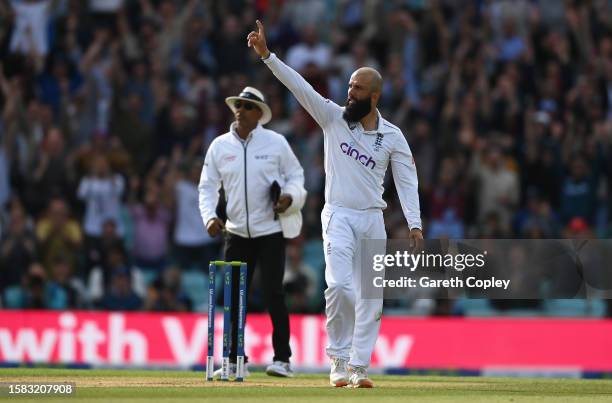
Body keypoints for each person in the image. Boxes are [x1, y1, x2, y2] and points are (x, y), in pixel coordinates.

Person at [247, 20, 423, 388]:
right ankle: (338, 361)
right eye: (348, 86)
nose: (349, 93)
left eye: (357, 89)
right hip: (339, 215)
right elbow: (299, 87)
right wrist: (268, 57)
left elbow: (407, 181)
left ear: (374, 96)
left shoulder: (393, 136)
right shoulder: (332, 117)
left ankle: (360, 367)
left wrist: (415, 224)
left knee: (372, 296)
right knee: (340, 287)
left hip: (373, 219)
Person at [198, 86, 307, 378]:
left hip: (270, 230)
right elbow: (207, 186)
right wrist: (209, 217)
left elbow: (296, 176)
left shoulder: (276, 143)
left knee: (274, 294)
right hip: (235, 233)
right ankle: (234, 361)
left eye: (247, 106)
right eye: (238, 105)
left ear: (259, 113)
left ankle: (282, 359)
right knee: (233, 299)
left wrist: (290, 198)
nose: (240, 110)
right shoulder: (219, 146)